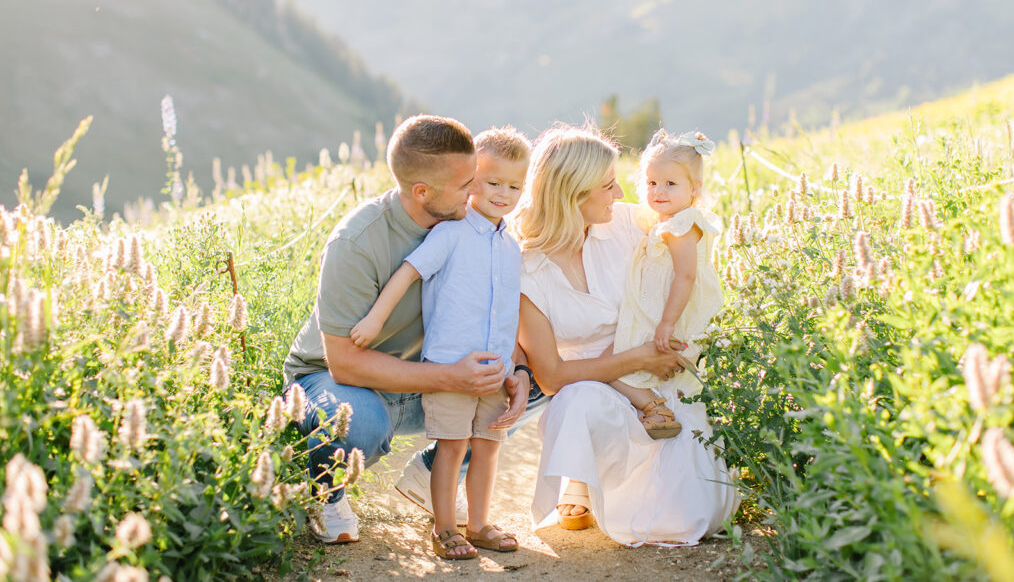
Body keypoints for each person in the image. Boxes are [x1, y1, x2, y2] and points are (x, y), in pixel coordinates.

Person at [282, 115, 537, 544]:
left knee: (528, 383)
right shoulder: (357, 242)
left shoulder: (473, 231)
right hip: (336, 379)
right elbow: (343, 364)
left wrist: (522, 371)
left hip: (419, 376)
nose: (478, 191)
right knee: (356, 422)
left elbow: (499, 310)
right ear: (423, 192)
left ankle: (433, 467)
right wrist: (452, 377)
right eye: (466, 185)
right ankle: (325, 494)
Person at [513, 123, 738, 546]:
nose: (620, 194)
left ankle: (617, 482)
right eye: (608, 186)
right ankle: (578, 481)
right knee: (576, 401)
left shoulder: (629, 223)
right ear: (573, 196)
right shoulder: (528, 271)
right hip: (592, 385)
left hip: (661, 375)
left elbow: (687, 251)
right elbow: (553, 377)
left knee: (690, 514)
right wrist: (635, 360)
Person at [349, 126, 531, 559]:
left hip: (494, 371)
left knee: (487, 448)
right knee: (452, 447)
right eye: (491, 183)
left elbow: (509, 311)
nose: (503, 194)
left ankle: (480, 523)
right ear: (471, 181)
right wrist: (374, 320)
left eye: (514, 186)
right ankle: (444, 527)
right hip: (448, 368)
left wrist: (514, 367)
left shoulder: (511, 246)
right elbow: (409, 272)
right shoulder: (451, 233)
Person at [608, 129, 725, 439]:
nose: (658, 191)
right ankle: (657, 409)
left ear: (694, 188)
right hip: (660, 307)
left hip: (669, 313)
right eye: (651, 182)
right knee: (623, 365)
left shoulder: (682, 225)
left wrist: (667, 323)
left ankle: (656, 408)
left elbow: (686, 275)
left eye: (670, 184)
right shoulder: (669, 221)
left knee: (614, 367)